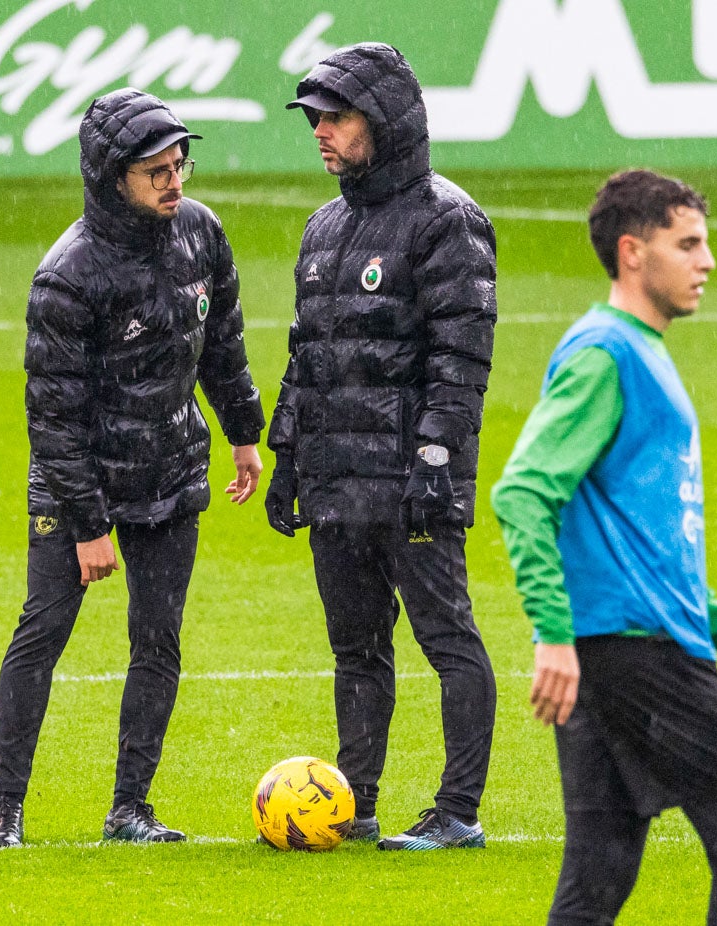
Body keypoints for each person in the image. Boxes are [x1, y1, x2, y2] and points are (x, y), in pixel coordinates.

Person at [491, 169, 717, 923]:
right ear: (632, 251)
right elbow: (522, 491)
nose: (706, 261)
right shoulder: (606, 356)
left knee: (599, 872)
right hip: (640, 657)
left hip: (618, 649)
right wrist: (551, 637)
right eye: (686, 244)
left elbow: (645, 533)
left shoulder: (637, 351)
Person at [0, 88, 265, 848]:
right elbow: (53, 420)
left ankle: (129, 809)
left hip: (171, 472)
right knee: (42, 632)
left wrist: (243, 431)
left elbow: (223, 341)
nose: (175, 182)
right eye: (156, 171)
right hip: (80, 485)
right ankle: (5, 812)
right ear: (113, 178)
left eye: (180, 165)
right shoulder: (67, 277)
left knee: (158, 641)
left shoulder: (201, 235)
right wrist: (89, 525)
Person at [264, 43, 499, 851]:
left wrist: (436, 457)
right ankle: (351, 804)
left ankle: (457, 811)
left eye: (336, 118)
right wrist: (287, 455)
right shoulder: (323, 225)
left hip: (410, 483)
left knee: (447, 641)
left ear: (385, 121)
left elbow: (460, 358)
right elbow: (307, 355)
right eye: (315, 121)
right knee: (355, 651)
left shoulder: (447, 220)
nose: (321, 134)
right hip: (337, 482)